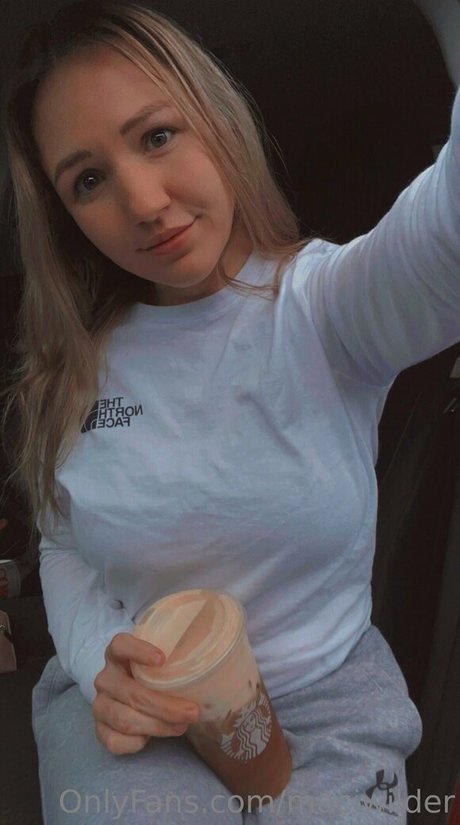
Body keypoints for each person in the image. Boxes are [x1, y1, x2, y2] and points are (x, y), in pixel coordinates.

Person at [1, 0, 459, 822]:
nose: (144, 202)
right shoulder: (72, 368)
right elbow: (63, 542)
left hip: (326, 703)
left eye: (156, 135)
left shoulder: (325, 307)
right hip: (139, 704)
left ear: (215, 119)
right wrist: (101, 657)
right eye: (88, 180)